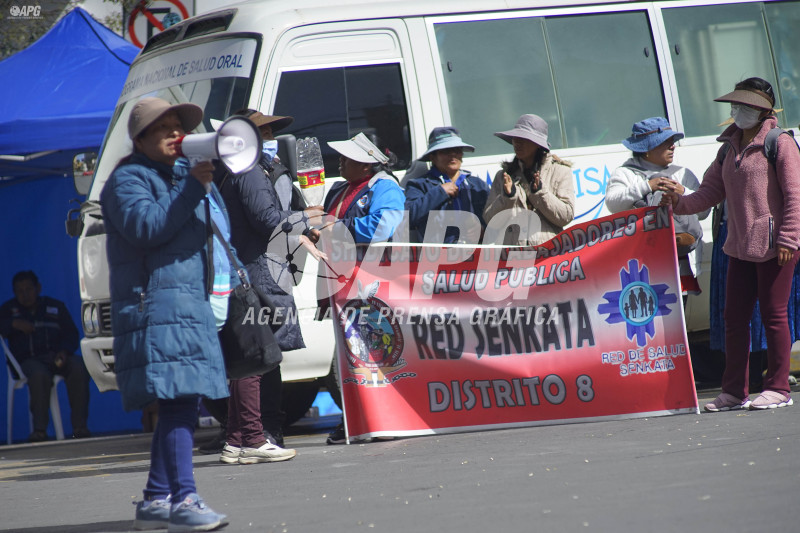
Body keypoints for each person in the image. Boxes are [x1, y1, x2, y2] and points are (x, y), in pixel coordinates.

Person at [101, 96, 229, 531]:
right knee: (178, 405)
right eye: (166, 129)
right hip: (156, 309)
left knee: (182, 401)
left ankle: (157, 499)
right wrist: (192, 186)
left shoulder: (176, 175)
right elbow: (148, 227)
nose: (178, 135)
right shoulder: (126, 181)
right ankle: (185, 502)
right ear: (140, 139)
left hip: (182, 306)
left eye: (180, 127)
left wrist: (195, 181)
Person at [661, 77, 800, 412]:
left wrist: (788, 239)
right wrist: (678, 202)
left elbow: (795, 196)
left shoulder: (779, 143)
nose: (738, 112)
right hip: (738, 247)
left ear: (764, 109)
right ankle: (734, 392)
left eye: (746, 106)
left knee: (774, 315)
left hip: (775, 246)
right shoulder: (728, 148)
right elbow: (709, 193)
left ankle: (778, 387)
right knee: (734, 318)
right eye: (736, 106)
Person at [213, 108, 322, 465]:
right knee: (262, 355)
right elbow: (267, 220)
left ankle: (237, 438)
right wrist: (305, 221)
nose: (270, 138)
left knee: (252, 354)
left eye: (272, 131)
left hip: (247, 268)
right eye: (265, 131)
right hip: (259, 270)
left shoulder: (231, 172)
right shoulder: (250, 171)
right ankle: (258, 437)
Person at [321, 132, 405, 444]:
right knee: (348, 363)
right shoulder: (339, 189)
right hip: (342, 286)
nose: (340, 161)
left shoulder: (384, 187)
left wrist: (338, 228)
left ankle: (376, 420)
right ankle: (363, 420)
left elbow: (384, 225)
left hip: (372, 284)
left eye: (347, 157)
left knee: (353, 363)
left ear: (366, 164)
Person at [605, 117, 710, 300]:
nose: (673, 147)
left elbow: (704, 212)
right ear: (646, 148)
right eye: (666, 142)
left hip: (680, 264)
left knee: (679, 320)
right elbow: (613, 204)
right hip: (642, 267)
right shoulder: (625, 174)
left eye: (673, 142)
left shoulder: (682, 174)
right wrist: (647, 186)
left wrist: (683, 192)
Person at [0, 270, 91, 442]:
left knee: (79, 367)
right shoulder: (8, 310)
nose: (25, 294)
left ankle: (80, 428)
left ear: (38, 288)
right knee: (39, 375)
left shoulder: (55, 307)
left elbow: (72, 333)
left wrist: (64, 351)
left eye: (28, 289)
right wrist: (13, 324)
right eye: (20, 291)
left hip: (57, 356)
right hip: (28, 361)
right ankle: (39, 431)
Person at [483, 114, 575, 246]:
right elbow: (490, 220)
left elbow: (566, 216)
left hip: (548, 256)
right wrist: (508, 197)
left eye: (524, 139)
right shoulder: (503, 176)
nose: (517, 143)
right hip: (513, 258)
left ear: (538, 144)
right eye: (515, 138)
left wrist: (540, 193)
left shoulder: (560, 171)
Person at [404, 127, 489, 243]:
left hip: (477, 255)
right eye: (445, 151)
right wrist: (439, 192)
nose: (453, 154)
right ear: (432, 157)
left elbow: (496, 219)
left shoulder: (477, 185)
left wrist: (483, 229)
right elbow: (409, 218)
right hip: (437, 256)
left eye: (457, 150)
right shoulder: (418, 185)